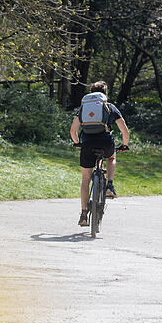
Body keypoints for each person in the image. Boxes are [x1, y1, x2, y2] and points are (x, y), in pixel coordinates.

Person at [70, 81, 130, 227]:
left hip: (87, 143)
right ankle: (109, 185)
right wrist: (124, 145)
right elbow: (124, 131)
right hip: (105, 141)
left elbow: (73, 130)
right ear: (105, 94)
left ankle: (84, 213)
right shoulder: (109, 107)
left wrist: (78, 143)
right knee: (111, 157)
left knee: (85, 179)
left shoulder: (83, 108)